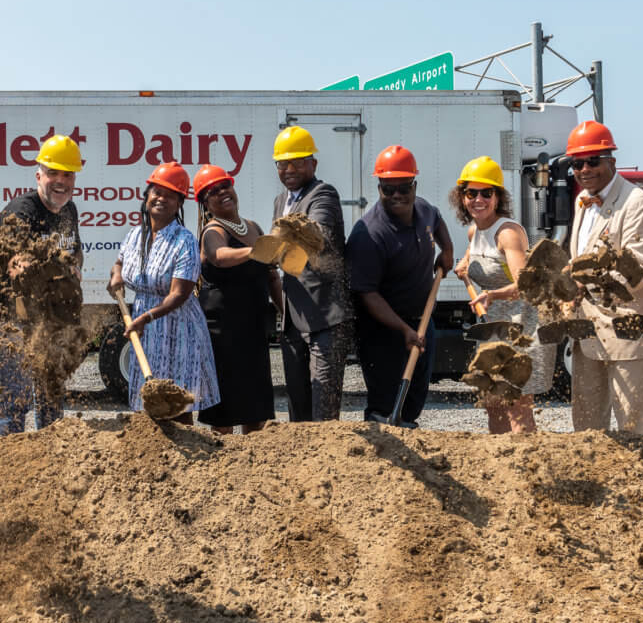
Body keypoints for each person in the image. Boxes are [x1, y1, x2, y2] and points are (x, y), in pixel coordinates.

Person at [563, 121, 643, 439]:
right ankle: (595, 487)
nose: (584, 169)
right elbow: (581, 258)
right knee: (587, 425)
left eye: (592, 160)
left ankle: (638, 487)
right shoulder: (583, 202)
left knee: (632, 427)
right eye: (576, 163)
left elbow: (637, 269)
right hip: (587, 330)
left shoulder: (636, 203)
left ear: (611, 160)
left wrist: (582, 282)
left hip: (626, 330)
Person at [347, 145, 453, 428]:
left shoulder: (424, 209)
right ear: (379, 187)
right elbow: (367, 293)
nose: (396, 195)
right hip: (382, 329)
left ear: (414, 186)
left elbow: (438, 220)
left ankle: (408, 429)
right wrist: (403, 330)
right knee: (385, 399)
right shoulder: (369, 233)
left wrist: (448, 250)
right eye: (388, 189)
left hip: (422, 318)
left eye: (403, 188)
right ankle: (382, 451)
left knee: (416, 395)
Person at [108, 162, 219, 423]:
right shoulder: (135, 235)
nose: (161, 199)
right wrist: (116, 276)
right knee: (145, 406)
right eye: (157, 192)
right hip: (145, 330)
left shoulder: (185, 240)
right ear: (147, 196)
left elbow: (179, 295)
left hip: (178, 327)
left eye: (170, 195)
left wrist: (146, 318)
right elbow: (120, 263)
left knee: (176, 406)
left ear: (180, 203)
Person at [449, 156, 553, 432]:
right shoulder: (475, 232)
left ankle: (527, 471)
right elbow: (472, 260)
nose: (478, 199)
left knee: (516, 406)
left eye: (486, 193)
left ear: (498, 198)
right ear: (462, 197)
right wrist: (464, 268)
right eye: (471, 193)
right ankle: (500, 468)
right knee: (493, 404)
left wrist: (492, 295)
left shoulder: (507, 233)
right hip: (494, 328)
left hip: (522, 325)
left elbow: (524, 285)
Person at [0, 133, 83, 434]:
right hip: (14, 323)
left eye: (67, 174)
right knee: (15, 397)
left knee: (51, 395)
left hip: (51, 320)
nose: (60, 181)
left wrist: (73, 267)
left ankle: (50, 462)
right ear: (38, 175)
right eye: (53, 173)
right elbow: (14, 264)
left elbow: (75, 251)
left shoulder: (69, 210)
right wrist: (51, 269)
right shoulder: (22, 211)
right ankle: (6, 465)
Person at [270, 126, 352, 422]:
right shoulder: (282, 200)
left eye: (297, 162)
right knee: (298, 410)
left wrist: (279, 247)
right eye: (283, 163)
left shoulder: (323, 194)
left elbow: (316, 236)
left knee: (323, 412)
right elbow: (285, 253)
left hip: (325, 318)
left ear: (313, 164)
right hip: (293, 317)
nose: (289, 169)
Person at [193, 164, 282, 433]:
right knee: (227, 406)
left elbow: (271, 275)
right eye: (213, 192)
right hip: (224, 332)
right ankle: (222, 462)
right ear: (206, 204)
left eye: (225, 186)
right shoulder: (213, 230)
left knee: (254, 403)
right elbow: (218, 256)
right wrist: (255, 250)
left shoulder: (252, 226)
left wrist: (286, 311)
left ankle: (249, 465)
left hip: (253, 327)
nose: (222, 193)